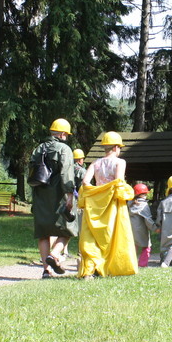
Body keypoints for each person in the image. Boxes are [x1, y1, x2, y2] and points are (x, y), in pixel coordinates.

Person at [77, 131, 137, 278]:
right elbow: (118, 182)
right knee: (112, 235)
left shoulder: (95, 163)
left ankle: (91, 270)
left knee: (93, 236)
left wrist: (97, 190)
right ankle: (110, 267)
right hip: (111, 204)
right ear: (116, 147)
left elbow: (85, 182)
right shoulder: (120, 162)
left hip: (95, 203)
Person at [30, 118, 76, 278]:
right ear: (63, 134)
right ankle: (54, 255)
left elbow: (32, 174)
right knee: (68, 229)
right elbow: (66, 173)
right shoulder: (64, 149)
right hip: (59, 195)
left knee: (43, 233)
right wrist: (70, 194)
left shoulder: (38, 149)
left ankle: (46, 270)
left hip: (40, 195)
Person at [128, 183, 155, 268]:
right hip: (141, 229)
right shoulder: (143, 205)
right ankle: (142, 264)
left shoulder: (129, 204)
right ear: (144, 194)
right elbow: (148, 219)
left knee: (133, 247)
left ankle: (130, 263)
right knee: (147, 247)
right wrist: (154, 228)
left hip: (130, 229)